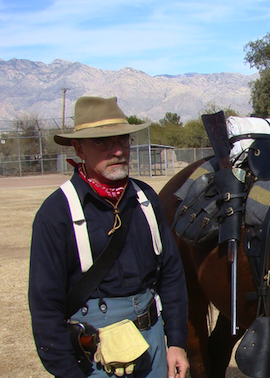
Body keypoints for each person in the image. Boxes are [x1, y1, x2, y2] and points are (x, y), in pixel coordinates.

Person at [28, 96, 190, 378]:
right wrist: (69, 372)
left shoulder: (145, 199)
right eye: (103, 142)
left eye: (123, 140)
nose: (118, 151)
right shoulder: (57, 212)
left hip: (153, 345)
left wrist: (176, 342)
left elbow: (172, 275)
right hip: (94, 357)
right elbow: (45, 306)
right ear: (79, 148)